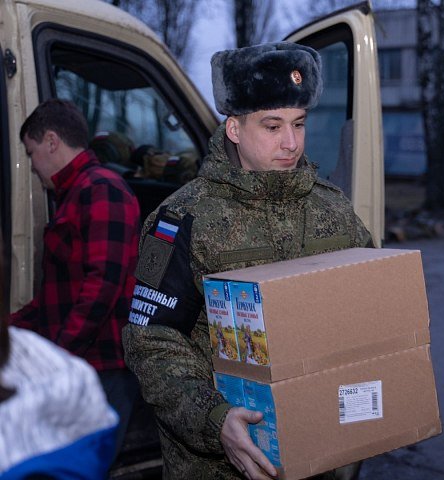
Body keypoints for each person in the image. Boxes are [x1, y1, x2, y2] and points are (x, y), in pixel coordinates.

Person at [122, 42, 372, 480]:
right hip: (217, 465)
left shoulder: (335, 210)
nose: (290, 143)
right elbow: (152, 342)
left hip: (320, 453)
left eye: (298, 124)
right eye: (272, 126)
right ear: (234, 129)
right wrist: (216, 421)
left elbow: (373, 309)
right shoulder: (180, 219)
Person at [9, 98, 141, 459]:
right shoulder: (74, 195)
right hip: (86, 365)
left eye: (32, 152)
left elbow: (102, 286)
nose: (33, 166)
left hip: (103, 370)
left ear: (52, 141)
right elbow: (55, 299)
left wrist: (59, 357)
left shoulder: (102, 189)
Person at [0, 237, 118, 479]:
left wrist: (61, 348)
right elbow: (49, 293)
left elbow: (104, 282)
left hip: (100, 358)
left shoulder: (61, 382)